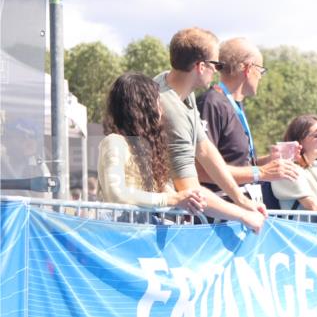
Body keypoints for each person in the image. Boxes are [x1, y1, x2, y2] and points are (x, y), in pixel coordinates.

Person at [155, 27, 263, 233]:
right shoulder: (171, 110)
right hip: (151, 218)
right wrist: (245, 215)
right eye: (216, 64)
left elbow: (204, 149)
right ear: (200, 66)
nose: (218, 70)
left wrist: (240, 200)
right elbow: (190, 190)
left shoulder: (176, 87)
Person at [196, 37, 299, 204]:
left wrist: (269, 161)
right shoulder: (212, 103)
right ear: (248, 68)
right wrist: (261, 172)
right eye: (261, 70)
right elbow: (201, 169)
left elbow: (234, 163)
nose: (261, 77)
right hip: (218, 214)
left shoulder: (234, 104)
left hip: (241, 209)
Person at [98, 72, 208, 214]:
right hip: (120, 233)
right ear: (145, 107)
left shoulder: (148, 148)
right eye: (157, 101)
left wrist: (186, 197)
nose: (161, 109)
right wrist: (171, 199)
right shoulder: (114, 142)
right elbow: (116, 194)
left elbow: (167, 193)